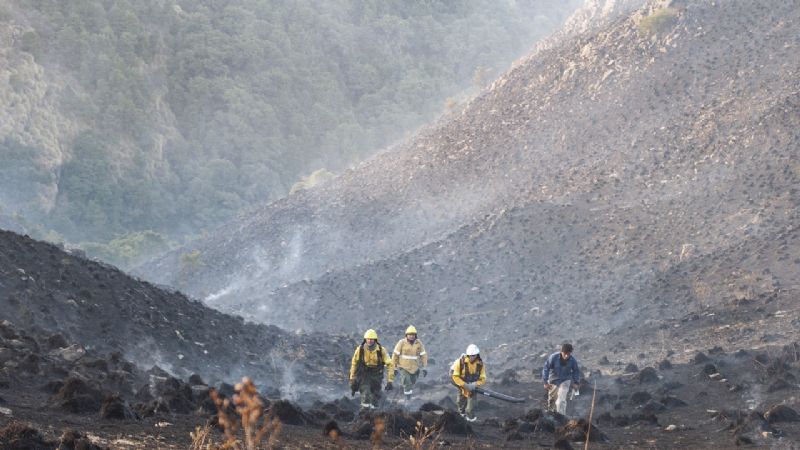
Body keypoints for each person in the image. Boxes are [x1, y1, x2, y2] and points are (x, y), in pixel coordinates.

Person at [349, 329, 395, 409]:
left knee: (375, 396)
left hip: (377, 375)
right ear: (365, 339)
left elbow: (390, 364)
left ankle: (373, 413)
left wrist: (390, 381)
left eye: (371, 339)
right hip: (364, 374)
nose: (370, 341)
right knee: (365, 392)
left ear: (375, 340)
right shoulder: (360, 350)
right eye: (368, 339)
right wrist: (352, 378)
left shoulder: (381, 350)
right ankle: (364, 412)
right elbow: (354, 363)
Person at [542, 343, 581, 415]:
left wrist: (576, 382)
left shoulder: (572, 360)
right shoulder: (553, 357)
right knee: (552, 400)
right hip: (553, 380)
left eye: (568, 354)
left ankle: (562, 417)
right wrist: (545, 382)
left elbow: (576, 371)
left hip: (565, 380)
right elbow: (546, 368)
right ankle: (551, 415)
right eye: (565, 353)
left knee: (561, 400)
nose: (566, 356)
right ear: (561, 351)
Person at [450, 344, 486, 422]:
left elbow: (483, 379)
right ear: (468, 355)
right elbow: (455, 376)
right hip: (462, 386)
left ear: (477, 355)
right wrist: (465, 385)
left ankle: (472, 421)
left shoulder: (480, 364)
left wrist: (475, 384)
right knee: (460, 403)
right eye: (470, 355)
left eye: (474, 355)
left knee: (469, 410)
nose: (472, 357)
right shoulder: (460, 362)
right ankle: (462, 418)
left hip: (472, 389)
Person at [392, 325, 428, 400]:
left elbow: (423, 355)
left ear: (415, 335)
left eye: (413, 334)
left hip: (415, 367)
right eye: (410, 335)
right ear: (406, 335)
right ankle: (408, 398)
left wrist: (424, 367)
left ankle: (408, 393)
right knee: (407, 382)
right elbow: (395, 355)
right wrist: (394, 368)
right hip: (403, 367)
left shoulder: (419, 343)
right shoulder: (401, 342)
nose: (411, 336)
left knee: (412, 382)